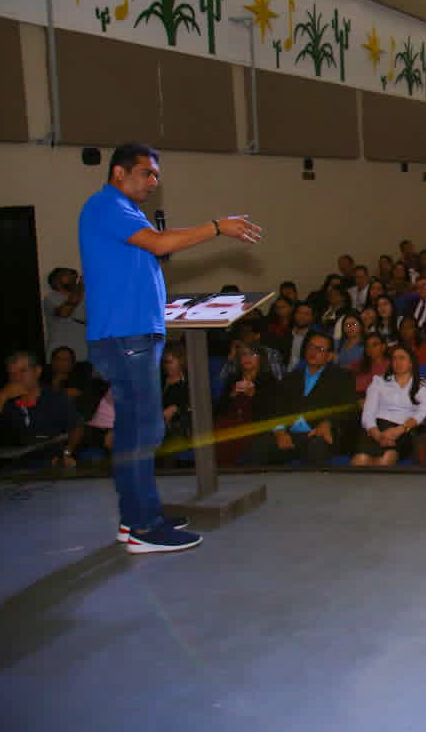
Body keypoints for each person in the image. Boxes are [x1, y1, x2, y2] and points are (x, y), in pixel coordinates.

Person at [78, 143, 261, 553]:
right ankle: (144, 526)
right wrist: (217, 226)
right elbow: (160, 245)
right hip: (125, 335)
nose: (153, 181)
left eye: (156, 175)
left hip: (133, 332)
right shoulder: (107, 206)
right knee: (144, 429)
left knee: (133, 430)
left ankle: (137, 517)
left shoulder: (123, 210)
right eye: (146, 172)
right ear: (119, 173)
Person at [250, 332, 356, 467]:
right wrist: (280, 432)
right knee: (261, 444)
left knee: (317, 445)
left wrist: (328, 423)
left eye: (320, 349)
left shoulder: (341, 377)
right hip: (289, 434)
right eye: (311, 347)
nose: (313, 352)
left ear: (329, 356)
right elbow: (277, 408)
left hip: (317, 433)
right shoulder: (291, 377)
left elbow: (348, 407)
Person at [0, 351, 85, 463]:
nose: (16, 377)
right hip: (10, 461)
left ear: (37, 371)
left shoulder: (54, 398)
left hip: (49, 458)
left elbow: (77, 427)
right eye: (12, 373)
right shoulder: (4, 399)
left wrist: (67, 452)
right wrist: (1, 397)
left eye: (22, 371)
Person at [353, 345, 426, 467]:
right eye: (394, 358)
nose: (397, 362)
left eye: (402, 358)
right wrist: (378, 436)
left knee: (386, 460)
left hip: (404, 429)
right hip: (375, 429)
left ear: (411, 362)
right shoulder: (379, 381)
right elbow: (368, 413)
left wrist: (398, 430)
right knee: (360, 460)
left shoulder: (423, 384)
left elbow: (423, 412)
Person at [42, 267, 88, 362]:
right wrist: (81, 286)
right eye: (67, 275)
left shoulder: (84, 297)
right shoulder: (51, 298)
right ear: (56, 281)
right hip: (60, 358)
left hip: (84, 356)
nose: (73, 277)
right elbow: (65, 312)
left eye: (73, 275)